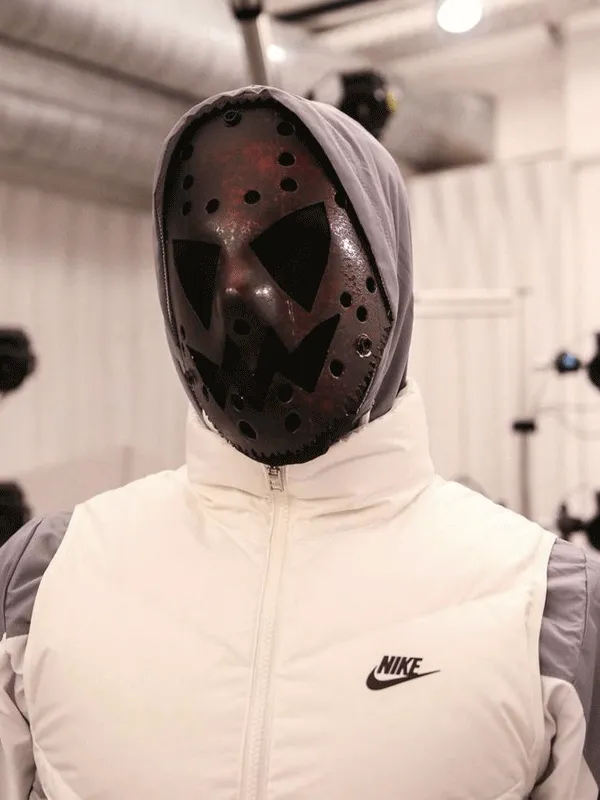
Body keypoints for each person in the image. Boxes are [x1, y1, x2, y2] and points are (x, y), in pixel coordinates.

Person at [0, 85, 598, 800]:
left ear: (383, 266)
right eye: (200, 265)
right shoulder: (45, 577)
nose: (240, 295)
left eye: (292, 249)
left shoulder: (547, 605)